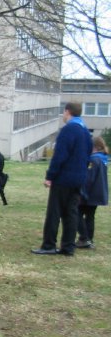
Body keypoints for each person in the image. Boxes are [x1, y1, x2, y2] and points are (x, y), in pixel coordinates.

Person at [32, 102, 93, 256]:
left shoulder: (68, 130)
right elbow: (88, 155)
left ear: (67, 111)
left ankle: (49, 245)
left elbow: (60, 155)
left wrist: (50, 176)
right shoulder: (85, 131)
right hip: (79, 178)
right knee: (71, 213)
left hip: (64, 178)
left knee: (54, 212)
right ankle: (68, 247)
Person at [76, 136, 108, 249]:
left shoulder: (93, 160)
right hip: (98, 193)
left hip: (90, 194)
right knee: (90, 216)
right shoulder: (103, 159)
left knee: (76, 213)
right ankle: (89, 239)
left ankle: (84, 238)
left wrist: (82, 192)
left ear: (94, 147)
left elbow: (89, 179)